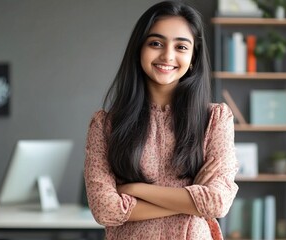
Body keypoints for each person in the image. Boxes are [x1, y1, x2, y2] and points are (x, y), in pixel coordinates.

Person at [84, 1, 239, 239]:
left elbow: (217, 203)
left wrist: (135, 190)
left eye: (181, 47)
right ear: (139, 49)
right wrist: (191, 200)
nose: (167, 55)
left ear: (193, 57)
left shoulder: (215, 120)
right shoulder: (105, 125)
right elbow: (105, 209)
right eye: (156, 43)